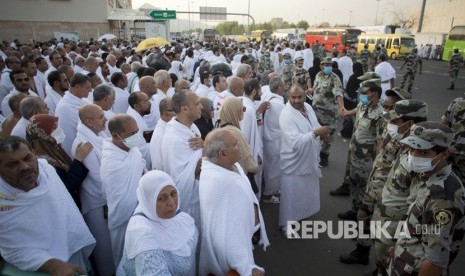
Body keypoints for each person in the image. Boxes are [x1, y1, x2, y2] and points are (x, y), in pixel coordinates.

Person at [339, 100, 428, 271]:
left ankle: (382, 268)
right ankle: (362, 251)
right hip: (376, 188)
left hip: (395, 209)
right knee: (364, 218)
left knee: (385, 246)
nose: (390, 124)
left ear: (410, 124)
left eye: (395, 121)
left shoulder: (419, 154)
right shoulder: (397, 137)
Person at [0, 136, 95, 275]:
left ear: (34, 153)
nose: (24, 167)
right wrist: (54, 266)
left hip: (75, 248)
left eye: (27, 158)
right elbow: (13, 249)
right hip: (42, 267)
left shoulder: (46, 169)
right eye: (12, 164)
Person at [390, 122, 465, 276]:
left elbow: (435, 263)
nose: (414, 156)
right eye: (412, 149)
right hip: (406, 261)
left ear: (444, 154)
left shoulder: (442, 198)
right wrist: (399, 247)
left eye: (423, 152)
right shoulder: (430, 177)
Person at [199, 128, 269, 276]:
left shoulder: (231, 165)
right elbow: (225, 234)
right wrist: (245, 267)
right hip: (235, 256)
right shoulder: (220, 182)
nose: (241, 147)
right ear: (222, 153)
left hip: (246, 237)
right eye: (236, 144)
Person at [117, 170, 198, 276]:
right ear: (149, 201)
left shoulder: (180, 218)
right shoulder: (142, 235)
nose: (172, 203)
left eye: (173, 193)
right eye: (162, 198)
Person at [279, 85, 329, 234]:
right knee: (291, 195)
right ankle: (286, 224)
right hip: (294, 162)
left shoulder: (307, 107)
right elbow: (294, 142)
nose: (296, 100)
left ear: (305, 96)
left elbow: (314, 125)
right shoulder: (286, 115)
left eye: (299, 97)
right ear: (288, 97)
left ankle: (301, 214)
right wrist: (315, 133)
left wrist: (323, 134)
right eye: (293, 97)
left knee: (305, 192)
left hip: (308, 158)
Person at [71, 104, 115, 276]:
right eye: (100, 117)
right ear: (88, 121)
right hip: (98, 202)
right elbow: (99, 177)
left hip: (105, 199)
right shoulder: (84, 143)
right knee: (105, 247)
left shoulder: (97, 135)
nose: (105, 119)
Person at [100, 114, 147, 266]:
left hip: (142, 212)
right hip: (123, 220)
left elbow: (141, 169)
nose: (136, 136)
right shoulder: (110, 163)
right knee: (124, 258)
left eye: (137, 131)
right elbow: (118, 199)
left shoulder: (132, 149)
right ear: (115, 135)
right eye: (132, 133)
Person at [337, 79, 383, 221]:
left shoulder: (380, 115)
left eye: (364, 93)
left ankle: (362, 218)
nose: (361, 95)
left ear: (374, 94)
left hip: (366, 160)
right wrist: (344, 112)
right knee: (353, 183)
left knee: (363, 188)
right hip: (354, 154)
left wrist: (378, 164)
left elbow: (380, 141)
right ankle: (354, 210)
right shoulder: (363, 105)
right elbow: (354, 111)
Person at [26, 113, 92, 208]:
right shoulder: (44, 162)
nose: (58, 130)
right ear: (44, 134)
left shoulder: (51, 148)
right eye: (54, 128)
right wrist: (78, 160)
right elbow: (67, 186)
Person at [162, 90, 203, 227]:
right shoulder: (175, 138)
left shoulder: (192, 126)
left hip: (198, 194)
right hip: (189, 199)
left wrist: (204, 145)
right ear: (185, 109)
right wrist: (208, 151)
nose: (201, 107)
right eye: (197, 104)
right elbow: (188, 174)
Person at [311, 57, 344, 167]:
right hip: (316, 113)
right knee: (316, 135)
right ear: (321, 66)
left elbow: (338, 92)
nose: (328, 67)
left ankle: (325, 156)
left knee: (328, 136)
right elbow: (315, 88)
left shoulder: (335, 78)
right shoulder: (318, 75)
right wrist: (310, 90)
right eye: (325, 65)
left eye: (329, 65)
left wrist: (341, 106)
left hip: (329, 114)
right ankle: (315, 155)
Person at [262, 76, 286, 203]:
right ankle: (267, 195)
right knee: (274, 171)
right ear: (280, 88)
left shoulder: (268, 98)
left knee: (270, 168)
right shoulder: (279, 105)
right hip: (275, 141)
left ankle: (274, 190)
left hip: (268, 139)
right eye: (284, 85)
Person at [55, 73, 92, 156]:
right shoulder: (66, 107)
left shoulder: (82, 100)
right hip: (76, 149)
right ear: (77, 87)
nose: (90, 90)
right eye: (88, 87)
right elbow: (73, 134)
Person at [339, 62, 363, 140]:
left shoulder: (353, 77)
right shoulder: (363, 77)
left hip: (351, 100)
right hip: (360, 100)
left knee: (348, 118)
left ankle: (346, 133)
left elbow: (349, 88)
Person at [149, 98, 175, 170]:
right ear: (166, 114)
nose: (179, 112)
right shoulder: (159, 135)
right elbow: (158, 165)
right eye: (175, 109)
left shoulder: (170, 127)